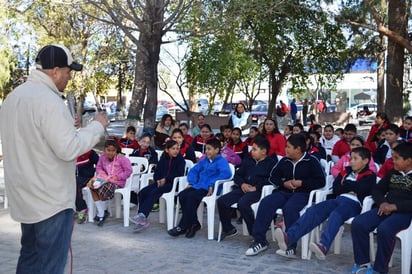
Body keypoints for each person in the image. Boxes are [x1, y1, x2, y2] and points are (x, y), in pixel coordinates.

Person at [0, 44, 109, 273]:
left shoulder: (13, 98)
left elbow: (34, 140)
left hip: (25, 198)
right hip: (51, 201)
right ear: (56, 71)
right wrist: (96, 127)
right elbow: (69, 149)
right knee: (50, 266)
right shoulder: (49, 101)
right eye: (69, 72)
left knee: (29, 259)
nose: (69, 78)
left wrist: (68, 128)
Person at [274, 147, 376, 259]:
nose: (351, 161)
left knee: (336, 214)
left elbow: (362, 189)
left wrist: (347, 185)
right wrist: (351, 187)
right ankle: (289, 237)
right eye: (351, 158)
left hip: (354, 204)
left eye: (355, 159)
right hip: (338, 199)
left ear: (365, 161)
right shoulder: (345, 171)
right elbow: (336, 188)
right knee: (314, 210)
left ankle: (323, 246)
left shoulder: (370, 175)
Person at [245, 134, 325, 256]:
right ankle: (260, 241)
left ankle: (290, 245)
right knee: (266, 202)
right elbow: (273, 177)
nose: (286, 149)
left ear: (298, 149)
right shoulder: (284, 160)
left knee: (290, 208)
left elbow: (320, 181)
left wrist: (301, 183)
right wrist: (284, 183)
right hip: (284, 191)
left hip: (302, 194)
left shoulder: (311, 161)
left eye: (288, 147)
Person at [350, 142, 412, 274]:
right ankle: (363, 263)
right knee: (358, 223)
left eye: (396, 158)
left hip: (405, 213)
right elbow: (377, 189)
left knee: (385, 228)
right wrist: (383, 203)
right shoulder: (393, 172)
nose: (392, 160)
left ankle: (379, 269)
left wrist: (395, 206)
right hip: (385, 208)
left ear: (408, 161)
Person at [168, 138, 232, 238]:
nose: (207, 151)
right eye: (206, 149)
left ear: (216, 150)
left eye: (209, 149)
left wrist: (212, 184)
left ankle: (182, 226)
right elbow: (194, 170)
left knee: (191, 197)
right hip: (198, 186)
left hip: (210, 189)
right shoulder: (205, 161)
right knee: (182, 195)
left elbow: (226, 174)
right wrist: (192, 182)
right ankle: (194, 223)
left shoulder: (221, 161)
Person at [217, 135, 277, 239]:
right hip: (243, 189)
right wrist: (242, 184)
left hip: (259, 191)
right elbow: (237, 175)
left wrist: (256, 187)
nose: (252, 151)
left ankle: (255, 233)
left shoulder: (271, 164)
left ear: (263, 151)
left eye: (255, 149)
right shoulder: (248, 161)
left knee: (243, 204)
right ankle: (229, 229)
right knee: (222, 201)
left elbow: (272, 180)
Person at [129, 140, 185, 232]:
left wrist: (166, 179)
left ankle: (142, 215)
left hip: (172, 184)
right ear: (167, 150)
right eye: (173, 149)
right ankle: (142, 220)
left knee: (154, 192)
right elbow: (157, 172)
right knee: (143, 192)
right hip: (160, 182)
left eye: (177, 149)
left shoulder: (180, 160)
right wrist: (158, 179)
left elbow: (179, 173)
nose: (176, 151)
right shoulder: (163, 158)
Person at [88, 138, 132, 226]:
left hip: (116, 182)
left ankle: (103, 212)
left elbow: (128, 171)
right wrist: (103, 174)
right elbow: (98, 168)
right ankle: (102, 211)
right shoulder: (102, 157)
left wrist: (118, 176)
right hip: (104, 179)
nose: (110, 153)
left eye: (113, 151)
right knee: (92, 186)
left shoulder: (122, 159)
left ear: (116, 150)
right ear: (104, 149)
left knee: (101, 189)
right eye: (108, 150)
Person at [76, 149, 99, 224]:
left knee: (75, 184)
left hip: (88, 178)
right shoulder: (72, 153)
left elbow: (100, 165)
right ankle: (73, 209)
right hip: (75, 178)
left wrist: (94, 174)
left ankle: (82, 208)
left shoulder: (90, 153)